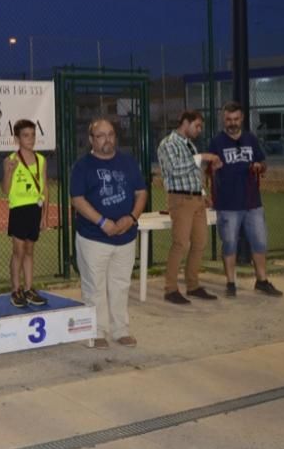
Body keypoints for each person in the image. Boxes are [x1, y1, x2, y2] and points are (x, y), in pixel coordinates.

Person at [70, 119, 147, 348]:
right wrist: (102, 222)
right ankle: (95, 331)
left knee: (120, 284)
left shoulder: (128, 162)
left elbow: (141, 192)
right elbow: (78, 199)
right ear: (92, 140)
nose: (107, 139)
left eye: (111, 134)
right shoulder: (83, 166)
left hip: (125, 236)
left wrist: (132, 217)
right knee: (94, 287)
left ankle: (120, 330)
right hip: (93, 237)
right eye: (101, 135)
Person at [207, 102, 284, 297]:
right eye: (228, 119)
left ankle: (262, 280)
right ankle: (231, 283)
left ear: (242, 119)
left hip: (252, 202)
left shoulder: (251, 139)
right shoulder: (216, 142)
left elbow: (263, 162)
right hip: (227, 203)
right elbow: (207, 170)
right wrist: (211, 171)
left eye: (236, 119)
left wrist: (259, 166)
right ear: (223, 120)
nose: (232, 123)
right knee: (230, 243)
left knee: (259, 242)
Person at [157, 110, 223, 305]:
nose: (199, 130)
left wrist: (203, 194)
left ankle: (193, 285)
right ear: (185, 122)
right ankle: (170, 289)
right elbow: (174, 169)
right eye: (197, 126)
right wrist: (202, 156)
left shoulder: (189, 145)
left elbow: (193, 173)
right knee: (180, 244)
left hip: (196, 200)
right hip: (180, 199)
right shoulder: (168, 143)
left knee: (199, 243)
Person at [1, 119, 49, 308]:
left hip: (35, 209)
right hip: (18, 210)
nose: (30, 139)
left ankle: (29, 289)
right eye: (26, 135)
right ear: (17, 138)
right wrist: (9, 172)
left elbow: (45, 189)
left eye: (33, 135)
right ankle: (15, 290)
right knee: (18, 251)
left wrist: (44, 216)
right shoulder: (11, 160)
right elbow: (5, 190)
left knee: (30, 250)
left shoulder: (41, 160)